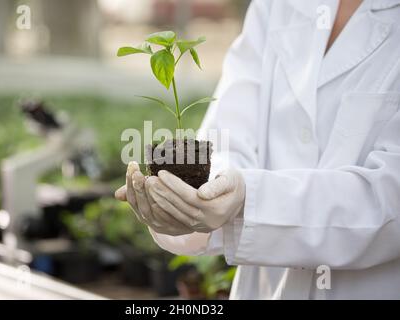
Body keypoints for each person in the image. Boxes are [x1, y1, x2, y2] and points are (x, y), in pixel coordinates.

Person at [115, 0, 400, 299]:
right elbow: (228, 138)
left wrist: (249, 199)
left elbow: (390, 197)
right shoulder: (275, 6)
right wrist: (190, 201)